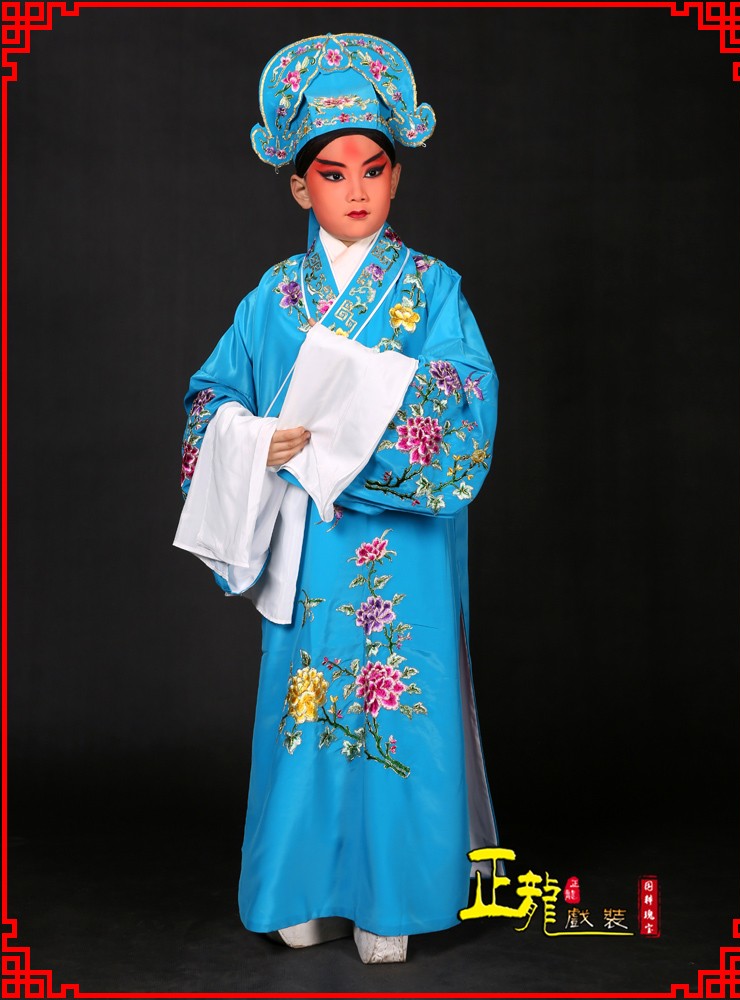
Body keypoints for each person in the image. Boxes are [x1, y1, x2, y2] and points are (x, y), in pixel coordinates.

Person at [174, 32, 500, 964]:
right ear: (298, 187)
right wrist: (253, 439)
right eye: (331, 172)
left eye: (373, 169)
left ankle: (393, 899)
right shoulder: (273, 300)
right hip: (311, 543)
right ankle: (305, 888)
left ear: (396, 177)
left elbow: (466, 398)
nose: (355, 190)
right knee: (309, 702)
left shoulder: (433, 289)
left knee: (402, 701)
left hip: (404, 545)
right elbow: (211, 399)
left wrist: (365, 415)